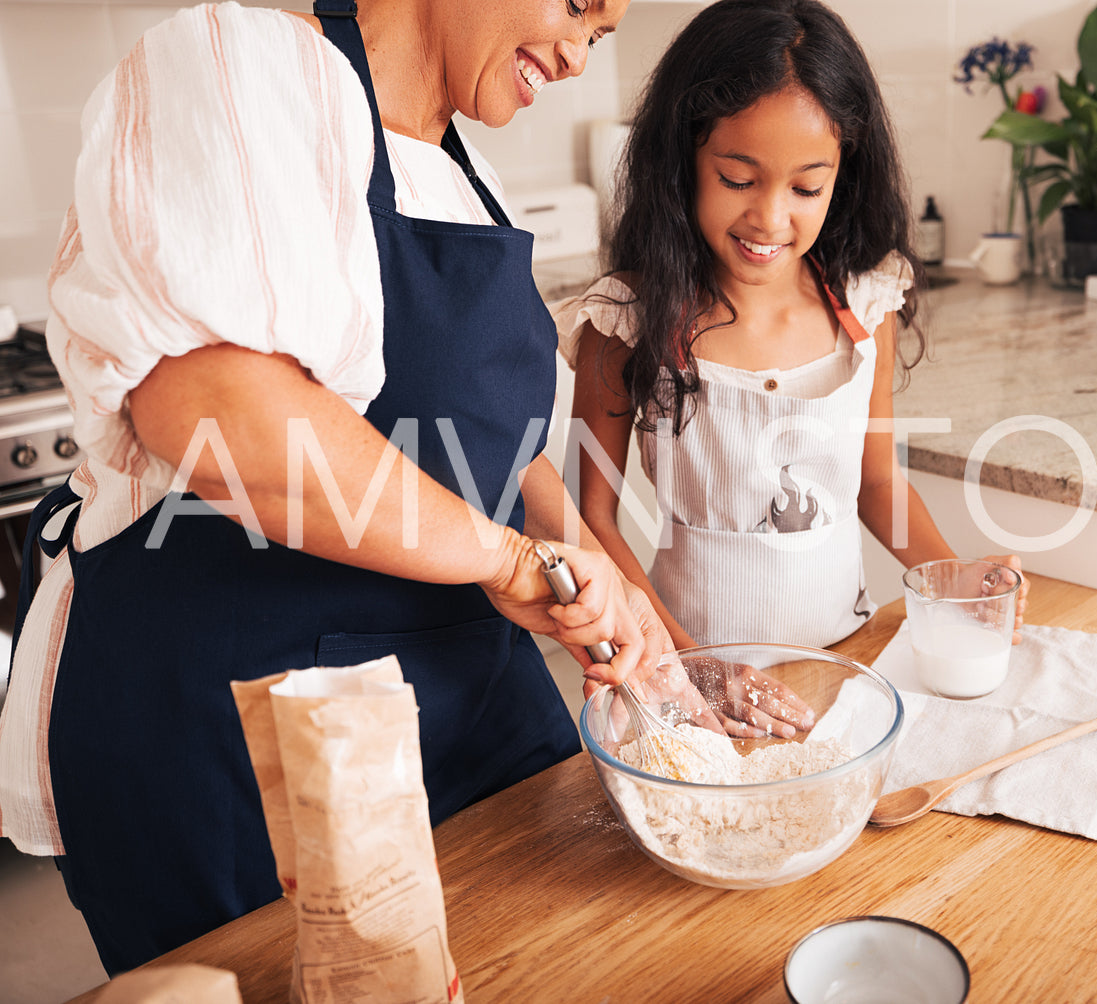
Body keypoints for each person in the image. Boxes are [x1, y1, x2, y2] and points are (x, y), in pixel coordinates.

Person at [0, 0, 684, 975]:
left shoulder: (465, 171)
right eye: (578, 7)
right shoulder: (238, 69)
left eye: (603, 34)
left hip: (461, 689)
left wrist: (597, 570)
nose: (578, 55)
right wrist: (503, 554)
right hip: (249, 728)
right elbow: (222, 420)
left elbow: (489, 427)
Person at [556, 0, 1028, 685]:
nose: (770, 217)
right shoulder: (626, 319)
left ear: (844, 173)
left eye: (807, 187)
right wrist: (681, 662)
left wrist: (953, 581)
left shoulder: (866, 303)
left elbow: (876, 485)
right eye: (737, 179)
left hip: (845, 659)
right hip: (683, 670)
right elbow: (588, 516)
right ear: (683, 157)